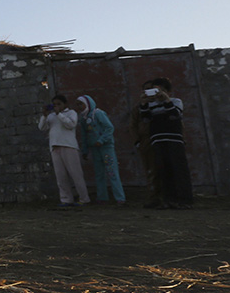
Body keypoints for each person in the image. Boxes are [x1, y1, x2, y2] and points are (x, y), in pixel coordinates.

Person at [139, 77, 193, 209]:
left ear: (169, 91)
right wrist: (144, 103)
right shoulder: (151, 104)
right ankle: (168, 200)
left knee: (179, 170)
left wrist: (166, 101)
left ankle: (185, 201)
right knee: (163, 171)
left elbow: (175, 115)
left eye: (162, 90)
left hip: (174, 140)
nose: (158, 93)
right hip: (158, 140)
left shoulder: (176, 101)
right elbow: (145, 119)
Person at [38, 94, 90, 206]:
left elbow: (71, 124)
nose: (57, 106)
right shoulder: (51, 116)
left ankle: (84, 198)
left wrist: (59, 114)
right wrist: (45, 115)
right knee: (61, 176)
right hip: (55, 147)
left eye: (59, 104)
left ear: (65, 104)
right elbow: (42, 128)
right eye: (54, 105)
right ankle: (66, 199)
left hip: (69, 146)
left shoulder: (71, 113)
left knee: (76, 174)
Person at [75, 95, 126, 206]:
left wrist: (102, 140)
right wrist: (85, 150)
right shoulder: (83, 118)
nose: (79, 106)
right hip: (95, 149)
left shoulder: (98, 114)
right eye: (77, 104)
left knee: (112, 172)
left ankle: (120, 198)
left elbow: (109, 128)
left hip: (105, 147)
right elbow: (84, 135)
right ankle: (102, 197)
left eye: (81, 104)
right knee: (99, 173)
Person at [129, 79, 163, 208]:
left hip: (162, 138)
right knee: (151, 170)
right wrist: (137, 141)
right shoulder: (138, 108)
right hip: (146, 140)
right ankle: (154, 197)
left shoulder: (164, 103)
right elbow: (132, 126)